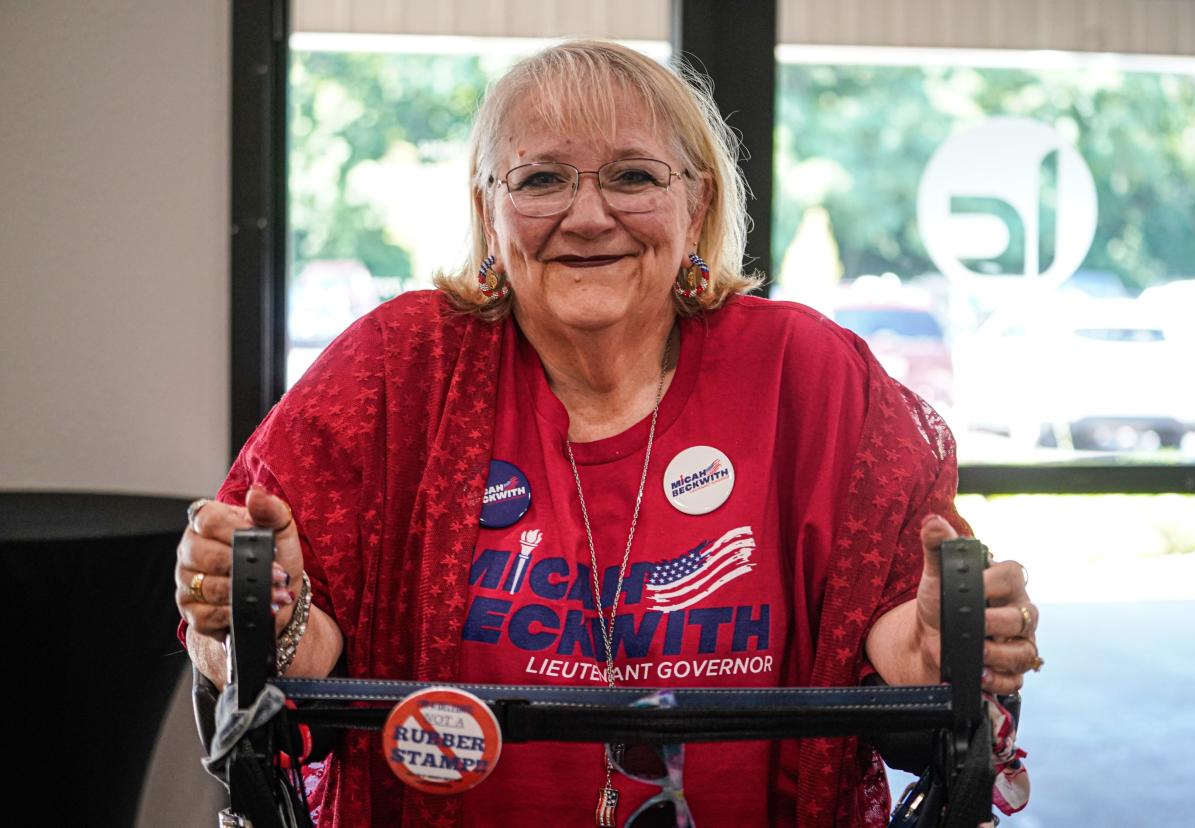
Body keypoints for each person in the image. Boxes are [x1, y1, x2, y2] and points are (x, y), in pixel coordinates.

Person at [176, 40, 1040, 827]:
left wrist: (942, 649)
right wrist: (262, 611)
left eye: (632, 177)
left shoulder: (809, 376)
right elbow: (291, 667)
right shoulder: (397, 371)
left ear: (696, 204)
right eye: (542, 180)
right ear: (489, 211)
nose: (589, 217)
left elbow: (899, 653)